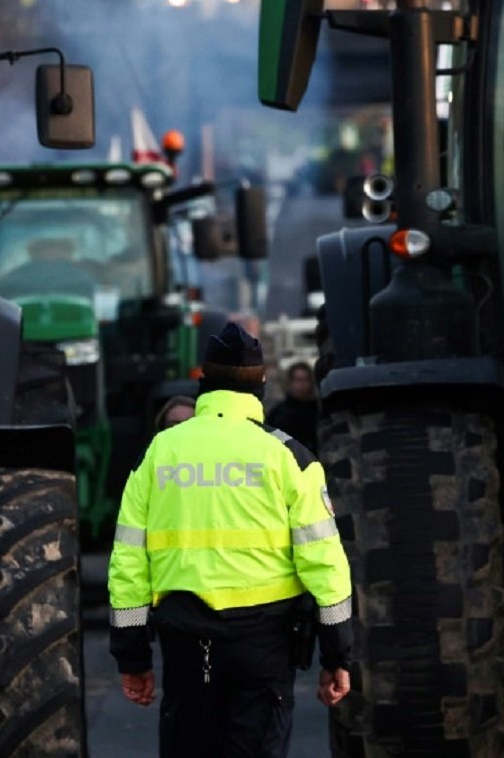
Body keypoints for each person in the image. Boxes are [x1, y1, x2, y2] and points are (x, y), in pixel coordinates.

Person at [108, 323, 354, 757]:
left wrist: (133, 658)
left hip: (185, 645)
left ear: (203, 381)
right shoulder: (290, 456)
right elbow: (326, 564)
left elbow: (128, 562)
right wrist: (337, 656)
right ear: (260, 384)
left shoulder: (160, 452)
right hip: (263, 646)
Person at [265, 361, 319, 452]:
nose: (302, 385)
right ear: (290, 383)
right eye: (298, 380)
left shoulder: (318, 411)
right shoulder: (278, 414)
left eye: (305, 380)